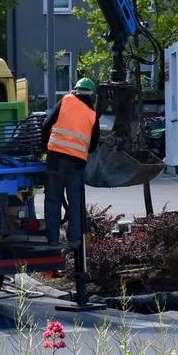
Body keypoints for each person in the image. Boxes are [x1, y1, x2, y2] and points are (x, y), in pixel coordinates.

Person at [40, 77, 101, 248]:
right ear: (92, 96)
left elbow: (46, 126)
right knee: (75, 199)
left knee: (53, 198)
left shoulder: (65, 101)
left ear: (75, 91)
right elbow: (94, 144)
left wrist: (48, 147)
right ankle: (74, 239)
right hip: (77, 163)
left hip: (56, 159)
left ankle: (52, 239)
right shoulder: (92, 115)